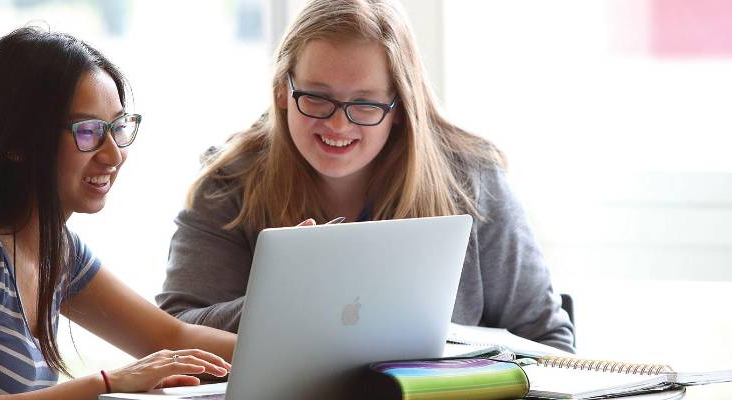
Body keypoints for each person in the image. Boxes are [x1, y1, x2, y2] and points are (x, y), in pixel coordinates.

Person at [157, 0, 575, 353]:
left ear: (400, 106)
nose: (338, 125)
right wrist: (283, 294)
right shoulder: (231, 181)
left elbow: (549, 342)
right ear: (283, 91)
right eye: (317, 98)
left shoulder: (472, 179)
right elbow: (170, 334)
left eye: (365, 104)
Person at [0, 27, 236, 399]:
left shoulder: (56, 249)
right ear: (17, 142)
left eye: (118, 127)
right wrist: (105, 384)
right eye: (87, 131)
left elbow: (172, 337)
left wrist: (299, 354)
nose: (113, 154)